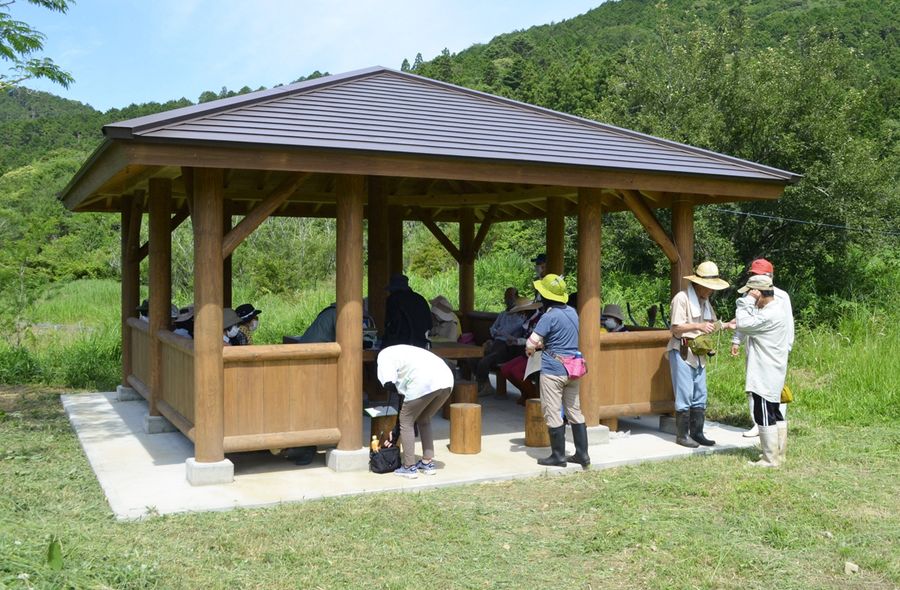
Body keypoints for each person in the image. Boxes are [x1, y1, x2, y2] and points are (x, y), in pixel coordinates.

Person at [526, 274, 590, 469]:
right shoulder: (572, 312)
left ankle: (558, 456)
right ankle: (582, 455)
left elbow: (531, 342)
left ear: (545, 296)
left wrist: (531, 350)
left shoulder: (549, 316)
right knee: (574, 411)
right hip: (573, 370)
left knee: (552, 412)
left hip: (553, 370)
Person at [667, 261, 730, 448]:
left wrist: (726, 325)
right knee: (684, 394)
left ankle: (697, 433)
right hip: (683, 351)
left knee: (700, 394)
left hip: (699, 354)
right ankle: (682, 436)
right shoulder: (682, 298)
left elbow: (711, 324)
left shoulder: (705, 301)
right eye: (708, 287)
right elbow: (676, 328)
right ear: (698, 284)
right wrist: (698, 326)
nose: (711, 291)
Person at [731, 258, 794, 437]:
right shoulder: (750, 294)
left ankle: (769, 441)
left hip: (773, 348)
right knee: (755, 386)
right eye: (752, 275)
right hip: (755, 345)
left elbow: (788, 325)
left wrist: (786, 349)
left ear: (768, 277)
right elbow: (745, 323)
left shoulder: (780, 297)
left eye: (757, 276)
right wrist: (737, 340)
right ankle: (757, 424)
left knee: (770, 391)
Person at [377, 344, 454, 479]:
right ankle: (427, 462)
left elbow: (388, 384)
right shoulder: (403, 352)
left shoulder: (383, 357)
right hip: (447, 379)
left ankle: (409, 467)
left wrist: (395, 433)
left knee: (406, 421)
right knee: (424, 419)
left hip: (424, 381)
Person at [474, 289, 527, 396]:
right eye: (506, 297)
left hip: (508, 348)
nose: (508, 300)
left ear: (516, 298)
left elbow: (506, 331)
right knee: (473, 358)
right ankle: (485, 384)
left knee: (485, 361)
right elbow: (492, 329)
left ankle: (483, 385)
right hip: (496, 343)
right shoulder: (503, 314)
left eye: (510, 297)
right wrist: (497, 333)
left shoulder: (521, 317)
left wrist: (498, 332)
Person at [382, 274, 432, 349]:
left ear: (392, 289)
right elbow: (429, 324)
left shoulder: (393, 299)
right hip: (420, 344)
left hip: (399, 344)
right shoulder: (420, 299)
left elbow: (391, 323)